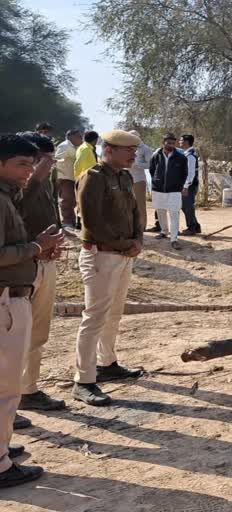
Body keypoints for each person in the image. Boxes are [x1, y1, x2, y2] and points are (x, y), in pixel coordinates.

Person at [0, 134, 65, 488]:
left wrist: (38, 249)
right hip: (6, 299)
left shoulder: (10, 196)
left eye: (33, 163)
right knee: (6, 385)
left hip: (15, 293)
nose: (30, 170)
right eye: (22, 163)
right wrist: (36, 246)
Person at [71, 130, 144, 406]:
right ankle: (84, 380)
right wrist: (124, 243)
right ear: (109, 150)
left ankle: (107, 363)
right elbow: (92, 223)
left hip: (123, 255)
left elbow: (136, 213)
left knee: (114, 313)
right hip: (101, 255)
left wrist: (137, 240)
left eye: (134, 151)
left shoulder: (124, 177)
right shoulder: (93, 177)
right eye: (129, 151)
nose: (133, 155)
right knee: (94, 317)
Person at [15, 133, 66, 414]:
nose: (48, 165)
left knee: (38, 332)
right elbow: (19, 212)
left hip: (45, 262)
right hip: (21, 267)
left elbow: (52, 216)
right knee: (14, 335)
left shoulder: (45, 183)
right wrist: (35, 179)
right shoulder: (17, 186)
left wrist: (56, 242)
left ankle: (28, 389)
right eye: (44, 160)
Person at [149, 133, 191, 250]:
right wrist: (157, 181)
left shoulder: (181, 157)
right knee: (160, 212)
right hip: (158, 190)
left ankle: (174, 239)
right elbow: (152, 170)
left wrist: (180, 186)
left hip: (174, 191)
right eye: (168, 143)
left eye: (173, 143)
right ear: (163, 143)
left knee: (174, 214)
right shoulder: (156, 155)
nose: (171, 145)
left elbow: (184, 173)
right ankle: (164, 231)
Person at [54, 129, 82, 229]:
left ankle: (72, 222)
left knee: (73, 201)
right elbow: (57, 159)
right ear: (71, 137)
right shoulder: (64, 146)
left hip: (74, 177)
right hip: (66, 177)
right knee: (67, 200)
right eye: (78, 136)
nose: (80, 138)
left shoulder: (77, 147)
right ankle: (66, 222)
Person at [128, 130, 153, 230]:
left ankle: (142, 227)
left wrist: (137, 165)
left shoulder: (145, 149)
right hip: (127, 179)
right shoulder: (128, 148)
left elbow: (150, 164)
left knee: (140, 205)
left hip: (139, 179)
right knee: (129, 204)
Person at [179, 134, 201, 235]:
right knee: (187, 206)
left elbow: (191, 174)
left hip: (189, 186)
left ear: (186, 142)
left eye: (181, 140)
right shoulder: (186, 154)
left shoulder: (190, 156)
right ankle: (195, 226)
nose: (180, 142)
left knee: (187, 206)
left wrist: (185, 187)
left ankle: (191, 228)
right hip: (188, 185)